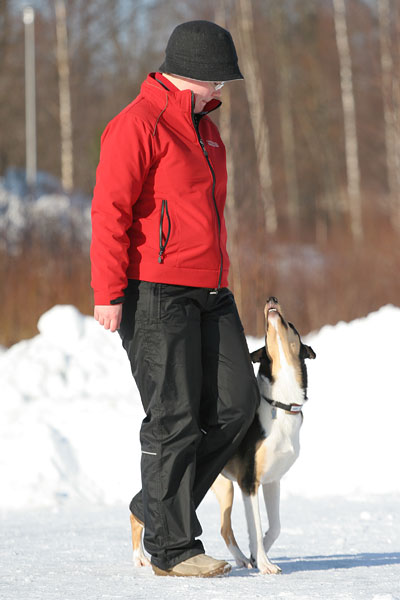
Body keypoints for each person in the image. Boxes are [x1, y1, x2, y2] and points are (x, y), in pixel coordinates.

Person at [90, 20, 260, 578]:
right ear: (193, 74)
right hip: (153, 291)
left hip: (211, 288)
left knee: (237, 404)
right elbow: (109, 212)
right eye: (218, 81)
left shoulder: (206, 131)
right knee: (175, 416)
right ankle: (172, 548)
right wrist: (108, 291)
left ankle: (155, 507)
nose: (222, 90)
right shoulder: (137, 124)